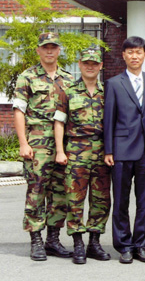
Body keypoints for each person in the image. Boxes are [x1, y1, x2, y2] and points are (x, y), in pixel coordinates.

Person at [13, 32, 74, 261]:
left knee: (60, 193)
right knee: (36, 192)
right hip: (36, 145)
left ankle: (53, 240)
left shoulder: (67, 79)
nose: (49, 51)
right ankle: (36, 240)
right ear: (38, 50)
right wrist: (23, 143)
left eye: (53, 47)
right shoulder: (27, 77)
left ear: (59, 51)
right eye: (45, 47)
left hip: (62, 145)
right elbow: (19, 111)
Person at [104, 36, 145, 264]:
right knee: (121, 201)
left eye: (139, 52)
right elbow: (108, 119)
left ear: (144, 55)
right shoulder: (114, 83)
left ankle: (141, 245)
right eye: (130, 52)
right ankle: (124, 245)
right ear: (124, 55)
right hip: (121, 150)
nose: (135, 56)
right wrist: (109, 150)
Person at [53, 48, 111, 264]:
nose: (90, 66)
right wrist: (60, 150)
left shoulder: (108, 91)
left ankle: (94, 242)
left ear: (100, 66)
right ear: (79, 64)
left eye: (94, 63)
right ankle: (78, 242)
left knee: (101, 199)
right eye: (86, 62)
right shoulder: (68, 91)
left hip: (102, 153)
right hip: (76, 152)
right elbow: (59, 122)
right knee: (75, 199)